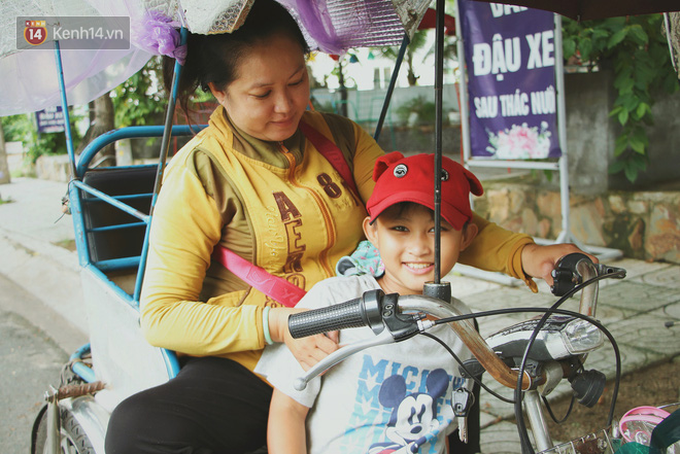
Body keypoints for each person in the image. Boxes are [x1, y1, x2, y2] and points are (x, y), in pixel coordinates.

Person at [105, 1, 595, 453]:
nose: (287, 105)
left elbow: (423, 215)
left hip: (373, 336)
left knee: (454, 394)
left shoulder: (339, 137)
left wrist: (527, 256)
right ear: (218, 91)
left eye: (297, 82)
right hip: (262, 361)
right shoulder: (198, 174)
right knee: (138, 429)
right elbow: (163, 316)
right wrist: (284, 325)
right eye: (262, 93)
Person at [256, 152, 483, 454]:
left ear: (466, 237)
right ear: (372, 232)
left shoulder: (462, 323)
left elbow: (453, 427)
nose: (418, 247)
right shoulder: (334, 302)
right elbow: (288, 411)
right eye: (399, 228)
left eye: (438, 229)